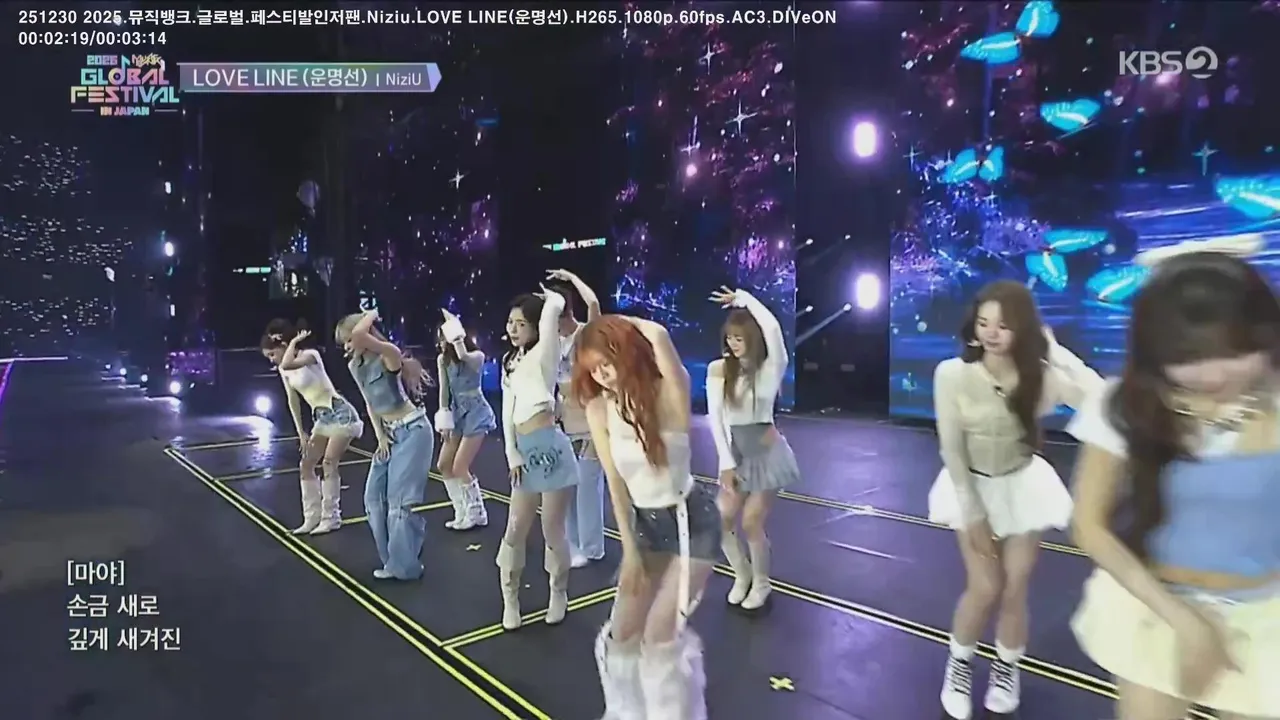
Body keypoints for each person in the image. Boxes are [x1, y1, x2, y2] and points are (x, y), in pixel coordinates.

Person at [1067, 239, 1279, 720]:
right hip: (1157, 610)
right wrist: (1183, 620)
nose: (1213, 373)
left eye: (1236, 350)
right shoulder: (1125, 406)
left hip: (1266, 621)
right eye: (1187, 356)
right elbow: (1089, 526)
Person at [929, 279, 1103, 720]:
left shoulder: (1040, 377)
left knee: (1014, 588)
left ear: (1023, 329)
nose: (991, 333)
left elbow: (1100, 401)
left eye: (1003, 325)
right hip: (971, 486)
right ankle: (959, 665)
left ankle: (1007, 667)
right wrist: (972, 512)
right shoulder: (952, 375)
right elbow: (951, 447)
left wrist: (1057, 354)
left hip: (1022, 486)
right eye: (984, 322)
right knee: (985, 586)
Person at [572, 314, 718, 719]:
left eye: (608, 362)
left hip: (692, 524)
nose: (602, 374)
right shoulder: (599, 409)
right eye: (593, 368)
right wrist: (630, 551)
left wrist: (615, 321)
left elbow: (660, 335)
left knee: (659, 639)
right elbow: (616, 486)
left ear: (627, 352)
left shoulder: (667, 392)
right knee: (621, 635)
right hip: (645, 528)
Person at [706, 286, 800, 612]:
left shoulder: (771, 367)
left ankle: (761, 582)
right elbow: (716, 418)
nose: (733, 344)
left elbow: (772, 328)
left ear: (752, 338)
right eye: (729, 337)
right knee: (721, 520)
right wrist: (725, 462)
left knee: (751, 522)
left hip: (768, 454)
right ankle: (742, 574)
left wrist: (744, 298)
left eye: (739, 338)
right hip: (737, 455)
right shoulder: (719, 370)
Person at [497, 287, 580, 629]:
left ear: (535, 326)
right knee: (515, 528)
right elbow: (507, 411)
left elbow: (554, 310)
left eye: (521, 323)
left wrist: (552, 299)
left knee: (552, 529)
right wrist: (511, 452)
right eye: (510, 322)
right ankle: (510, 600)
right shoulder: (509, 361)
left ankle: (558, 593)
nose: (513, 329)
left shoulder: (547, 352)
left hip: (551, 448)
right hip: (524, 449)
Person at [335, 309, 432, 582]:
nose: (347, 346)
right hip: (390, 434)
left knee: (399, 503)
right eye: (344, 343)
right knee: (373, 499)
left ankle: (405, 566)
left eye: (349, 340)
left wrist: (370, 314)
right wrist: (380, 437)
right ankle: (395, 557)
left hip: (413, 431)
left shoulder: (389, 354)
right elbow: (370, 403)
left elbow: (360, 334)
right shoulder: (355, 366)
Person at [260, 319, 363, 536]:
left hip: (340, 413)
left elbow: (287, 363)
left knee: (329, 462)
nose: (272, 360)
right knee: (306, 465)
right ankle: (312, 517)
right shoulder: (284, 370)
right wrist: (301, 432)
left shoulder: (310, 356)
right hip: (322, 418)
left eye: (272, 354)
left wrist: (293, 342)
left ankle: (331, 517)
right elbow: (293, 400)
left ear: (283, 346)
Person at [545, 268, 607, 568]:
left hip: (593, 417)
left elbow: (593, 303)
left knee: (589, 483)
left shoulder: (586, 334)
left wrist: (571, 278)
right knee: (566, 485)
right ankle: (571, 544)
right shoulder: (551, 341)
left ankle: (592, 548)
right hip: (565, 421)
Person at [434, 308, 492, 532]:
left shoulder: (476, 356)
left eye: (443, 338)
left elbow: (464, 356)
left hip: (476, 412)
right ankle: (461, 510)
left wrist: (454, 328)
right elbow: (444, 391)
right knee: (444, 464)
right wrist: (444, 420)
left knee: (460, 466)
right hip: (457, 413)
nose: (440, 344)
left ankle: (477, 512)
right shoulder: (443, 360)